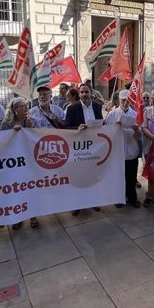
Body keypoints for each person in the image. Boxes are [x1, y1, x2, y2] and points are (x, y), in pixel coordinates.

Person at [0, 97, 39, 229]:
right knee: (17, 190)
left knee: (31, 188)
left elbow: (37, 138)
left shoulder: (30, 120)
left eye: (26, 106)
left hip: (29, 160)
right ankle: (18, 217)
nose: (26, 108)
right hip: (14, 162)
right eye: (23, 106)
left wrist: (30, 128)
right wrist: (13, 133)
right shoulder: (7, 123)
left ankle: (33, 215)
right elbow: (0, 141)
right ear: (15, 109)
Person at [65, 84, 104, 215]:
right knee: (78, 177)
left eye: (86, 92)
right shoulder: (72, 109)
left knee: (93, 176)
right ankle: (78, 204)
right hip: (79, 149)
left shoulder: (98, 107)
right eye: (82, 92)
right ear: (79, 94)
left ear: (91, 92)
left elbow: (102, 124)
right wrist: (77, 129)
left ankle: (94, 201)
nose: (84, 94)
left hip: (94, 147)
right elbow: (66, 128)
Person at [105, 90, 141, 208]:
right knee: (119, 177)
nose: (125, 103)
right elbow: (107, 134)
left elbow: (139, 135)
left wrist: (136, 130)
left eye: (128, 100)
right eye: (123, 100)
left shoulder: (135, 115)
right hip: (117, 151)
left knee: (131, 176)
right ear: (118, 100)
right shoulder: (112, 114)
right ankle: (119, 198)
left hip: (131, 149)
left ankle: (132, 198)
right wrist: (116, 127)